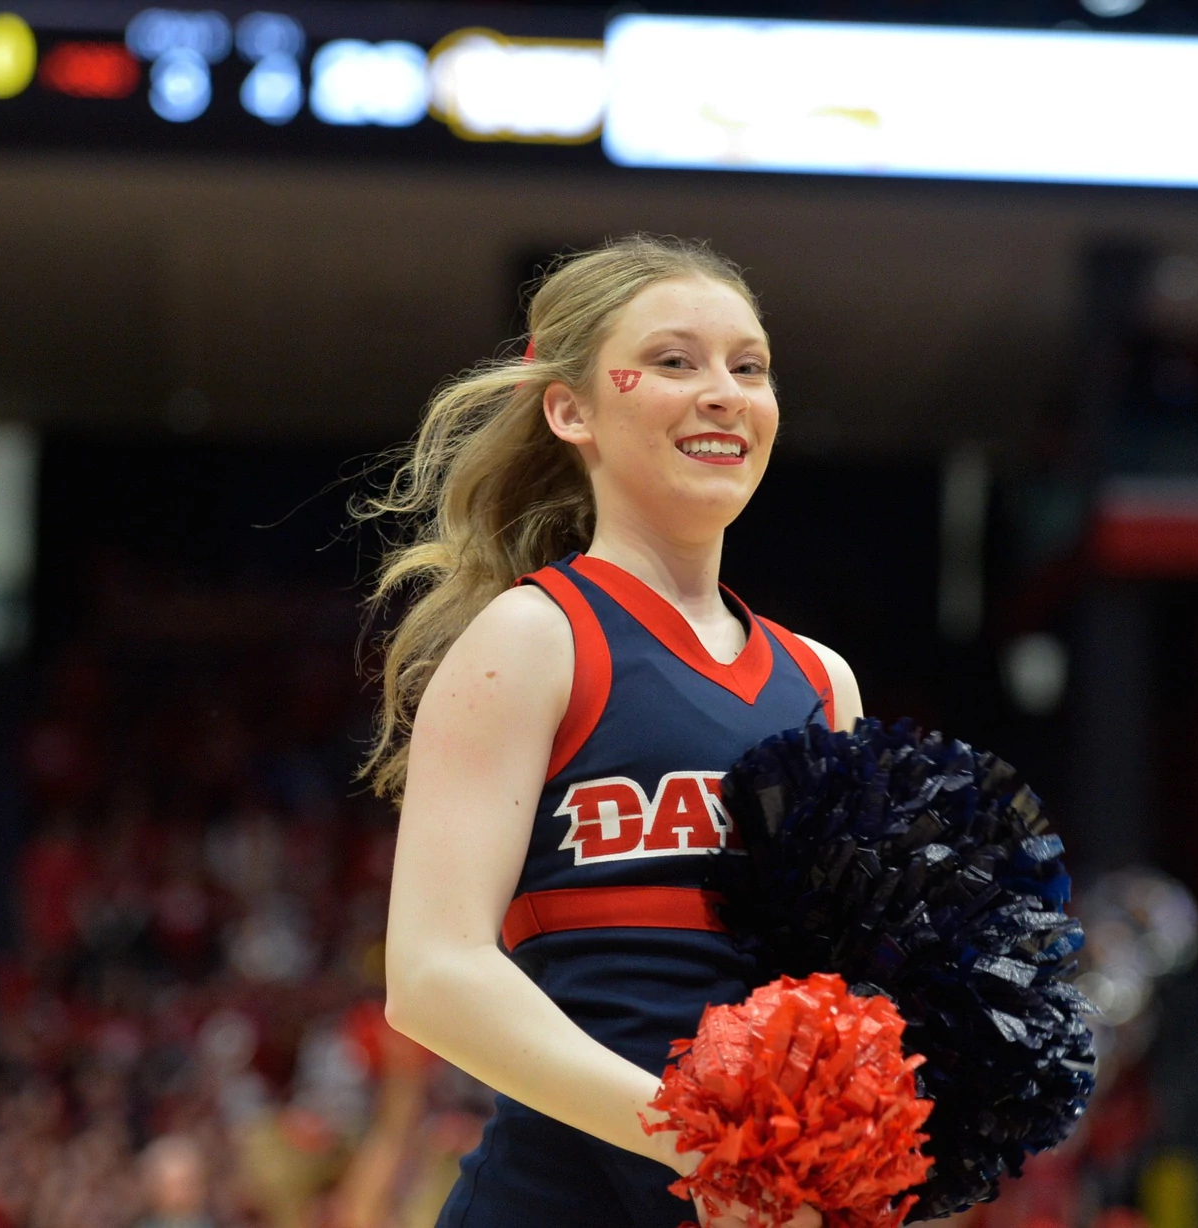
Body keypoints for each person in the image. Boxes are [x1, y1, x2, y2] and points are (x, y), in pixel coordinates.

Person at [362, 235, 862, 1227]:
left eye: (748, 366)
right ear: (571, 409)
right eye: (675, 361)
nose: (723, 391)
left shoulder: (823, 682)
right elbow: (431, 974)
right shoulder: (533, 639)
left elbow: (838, 988)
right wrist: (703, 1144)